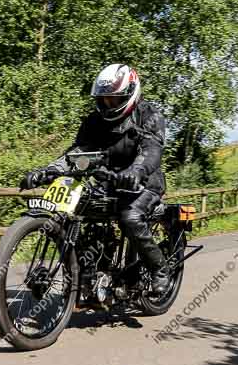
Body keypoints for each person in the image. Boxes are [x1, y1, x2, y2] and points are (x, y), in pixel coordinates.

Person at [19, 64, 170, 293]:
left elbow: (151, 149)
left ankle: (159, 269)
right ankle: (89, 272)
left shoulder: (149, 115)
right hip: (107, 181)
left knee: (129, 217)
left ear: (130, 94)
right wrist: (46, 171)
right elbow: (77, 152)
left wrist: (136, 172)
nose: (108, 104)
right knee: (79, 214)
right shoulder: (93, 122)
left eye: (114, 99)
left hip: (143, 183)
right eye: (104, 99)